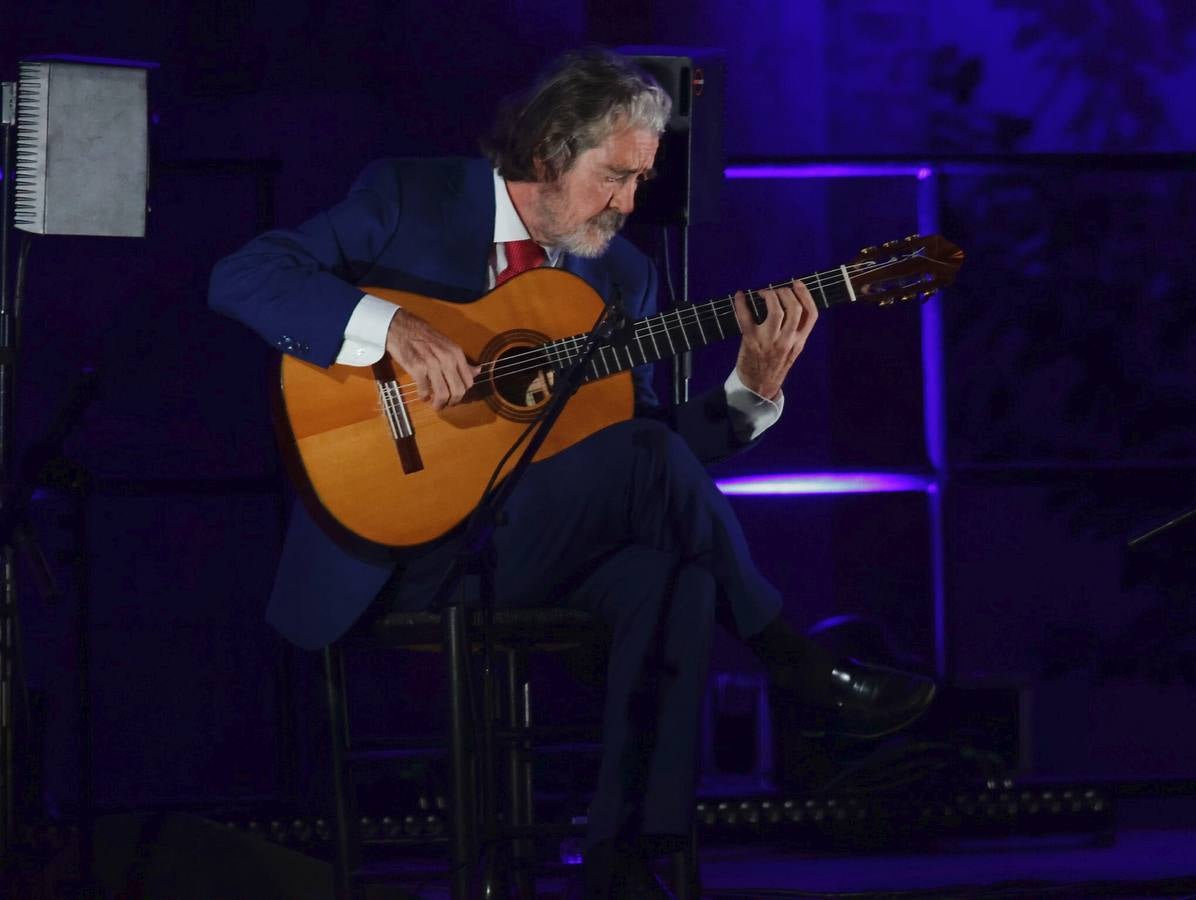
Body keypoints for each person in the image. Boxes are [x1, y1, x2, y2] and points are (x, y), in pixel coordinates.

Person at [208, 47, 935, 897]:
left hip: (528, 543)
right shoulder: (412, 196)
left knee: (673, 578)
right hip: (400, 540)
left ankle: (626, 861)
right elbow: (243, 276)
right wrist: (392, 329)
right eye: (614, 177)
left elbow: (648, 446)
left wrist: (750, 392)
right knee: (669, 543)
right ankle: (789, 657)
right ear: (550, 152)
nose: (629, 204)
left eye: (641, 181)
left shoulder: (623, 276)